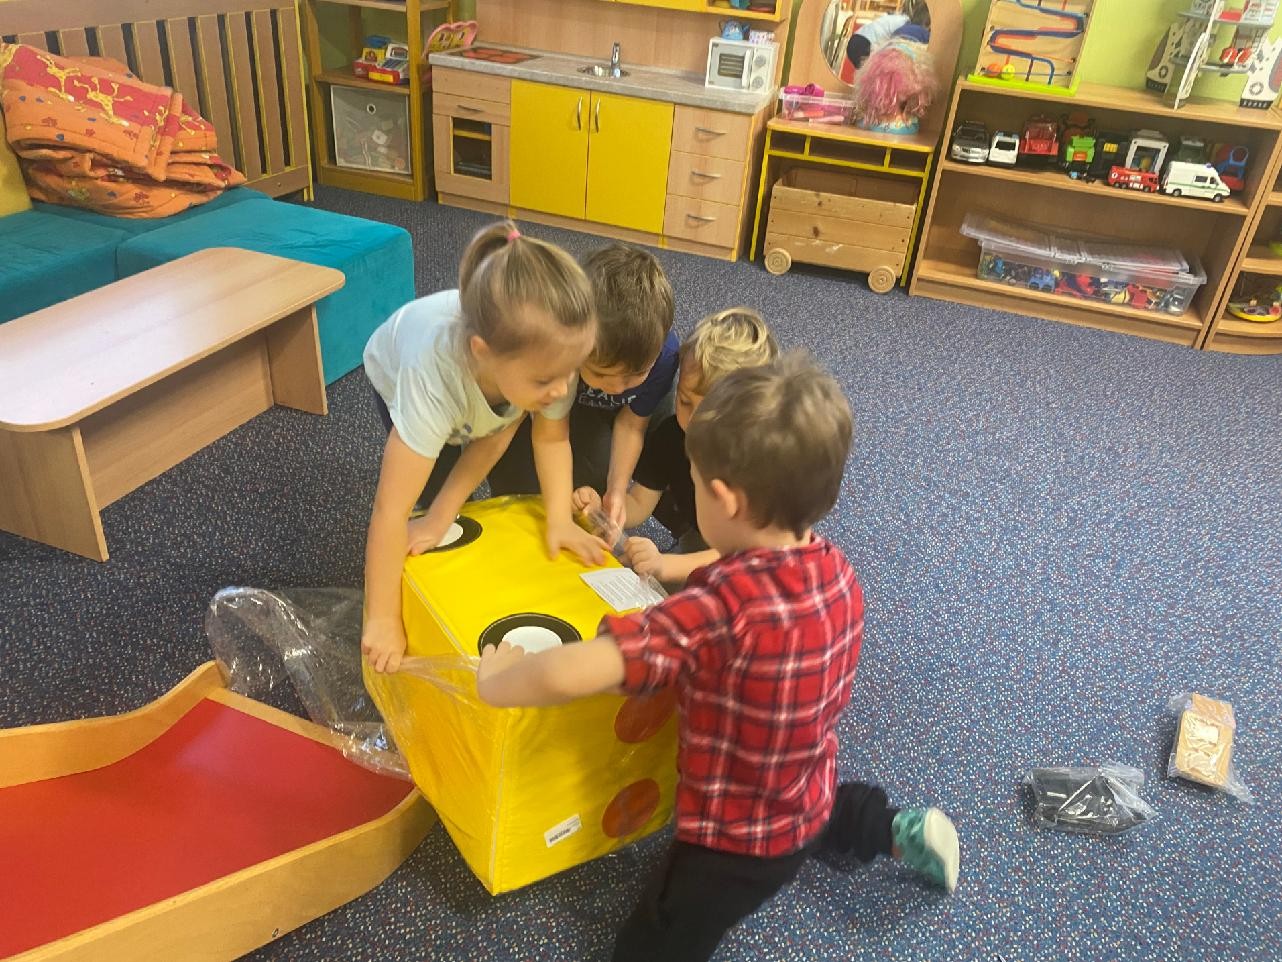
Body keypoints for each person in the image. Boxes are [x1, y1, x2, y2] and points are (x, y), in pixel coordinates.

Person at [477, 353, 960, 962]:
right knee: (821, 811)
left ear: (725, 499)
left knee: (661, 934)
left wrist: (498, 680)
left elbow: (580, 669)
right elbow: (744, 577)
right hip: (804, 782)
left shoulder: (719, 610)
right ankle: (893, 829)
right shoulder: (836, 569)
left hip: (731, 844)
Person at [360, 220, 607, 673]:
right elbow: (389, 509)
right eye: (545, 381)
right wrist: (382, 617)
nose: (561, 390)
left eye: (570, 373)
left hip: (483, 391)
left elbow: (532, 435)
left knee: (454, 497)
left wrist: (559, 519)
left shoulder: (551, 363)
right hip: (397, 373)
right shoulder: (431, 376)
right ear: (483, 351)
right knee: (424, 499)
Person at [572, 307, 777, 587]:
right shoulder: (670, 437)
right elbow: (639, 503)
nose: (692, 421)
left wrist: (666, 565)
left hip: (755, 563)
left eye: (712, 412)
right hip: (699, 536)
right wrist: (603, 510)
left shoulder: (763, 460)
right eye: (684, 401)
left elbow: (743, 556)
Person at [488, 244, 677, 530]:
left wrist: (616, 489)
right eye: (601, 373)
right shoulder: (560, 341)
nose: (617, 388)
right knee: (523, 478)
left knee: (593, 482)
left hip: (614, 414)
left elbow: (632, 424)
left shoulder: (664, 357)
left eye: (634, 375)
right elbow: (547, 430)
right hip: (560, 402)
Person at [844, 0, 931, 81]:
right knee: (873, 74)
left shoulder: (897, 17)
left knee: (865, 74)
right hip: (866, 42)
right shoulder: (906, 24)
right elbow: (897, 43)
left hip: (856, 38)